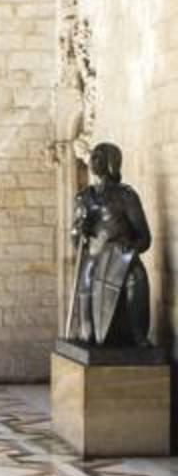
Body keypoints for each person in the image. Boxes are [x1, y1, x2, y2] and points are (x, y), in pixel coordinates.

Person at [69, 142, 151, 346]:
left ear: (111, 162)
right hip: (94, 258)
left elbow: (144, 237)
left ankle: (138, 335)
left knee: (136, 276)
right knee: (86, 278)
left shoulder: (126, 196)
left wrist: (130, 249)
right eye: (93, 156)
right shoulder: (84, 197)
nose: (92, 161)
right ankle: (87, 332)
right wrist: (80, 230)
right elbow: (76, 240)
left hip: (120, 260)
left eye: (98, 157)